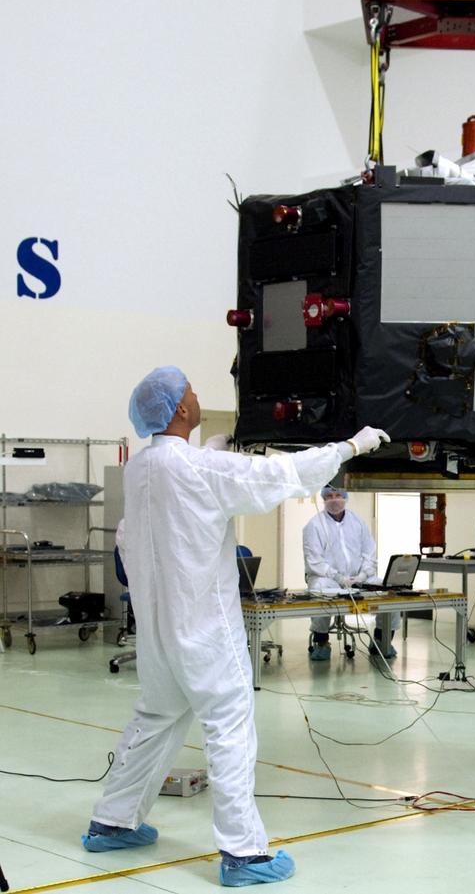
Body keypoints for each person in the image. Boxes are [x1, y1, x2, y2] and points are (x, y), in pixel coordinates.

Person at [81, 365, 389, 887]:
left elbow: (147, 529)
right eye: (194, 393)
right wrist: (349, 447)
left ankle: (111, 822)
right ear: (180, 408)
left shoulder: (141, 470)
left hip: (158, 632)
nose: (199, 398)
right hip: (205, 631)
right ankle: (243, 854)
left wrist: (218, 452)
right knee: (229, 729)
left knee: (154, 721)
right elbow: (277, 477)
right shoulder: (200, 468)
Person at [303, 486, 400, 662]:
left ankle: (381, 640)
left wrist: (363, 575)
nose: (334, 499)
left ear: (345, 497)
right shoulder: (314, 525)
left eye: (338, 495)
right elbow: (315, 561)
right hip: (328, 579)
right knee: (320, 590)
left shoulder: (358, 522)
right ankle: (321, 642)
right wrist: (338, 577)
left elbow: (370, 553)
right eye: (329, 496)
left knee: (388, 592)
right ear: (323, 499)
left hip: (359, 577)